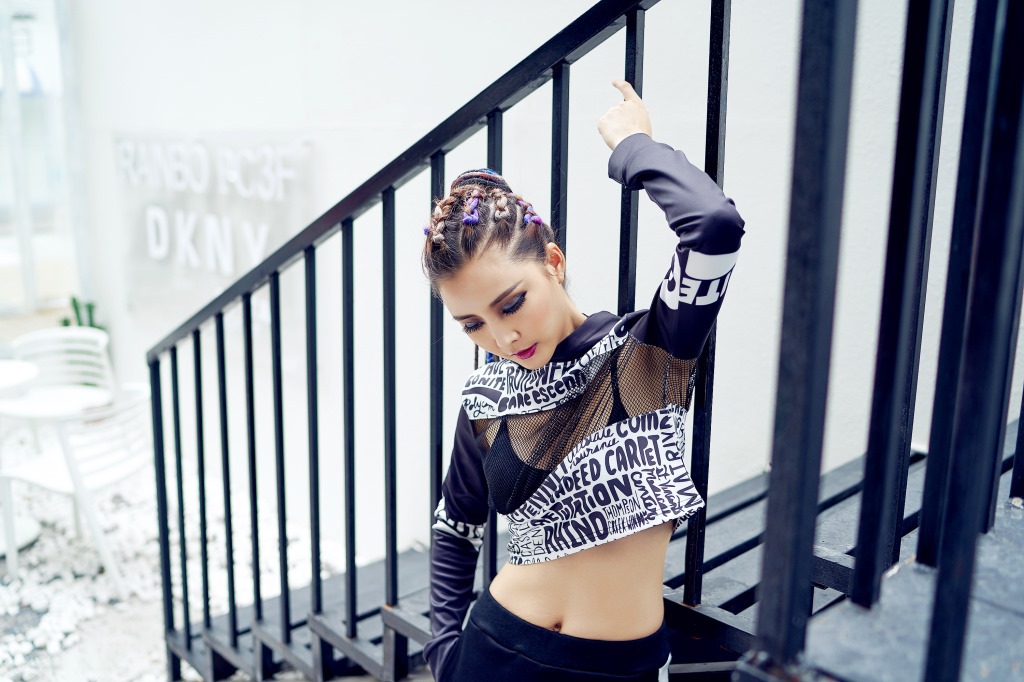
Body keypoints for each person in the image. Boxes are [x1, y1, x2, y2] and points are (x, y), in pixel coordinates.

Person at [419, 81, 745, 681]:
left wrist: (634, 146)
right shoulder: (486, 399)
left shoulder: (649, 351)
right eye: (473, 325)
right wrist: (443, 651)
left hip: (617, 667)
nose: (503, 338)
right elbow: (456, 524)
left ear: (553, 263)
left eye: (512, 304)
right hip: (492, 652)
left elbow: (715, 226)